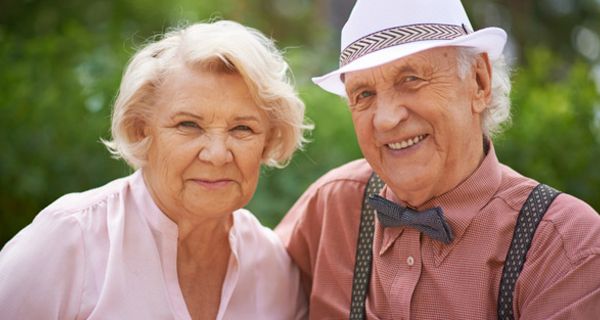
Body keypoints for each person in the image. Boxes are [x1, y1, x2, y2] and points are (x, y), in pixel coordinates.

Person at [276, 0, 600, 319]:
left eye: (411, 79)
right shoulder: (332, 206)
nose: (386, 119)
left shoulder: (565, 247)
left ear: (479, 82)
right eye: (364, 95)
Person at [0, 20, 310, 319]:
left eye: (242, 128)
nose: (217, 155)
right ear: (140, 131)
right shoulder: (70, 238)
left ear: (268, 140)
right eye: (188, 124)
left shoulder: (274, 268)